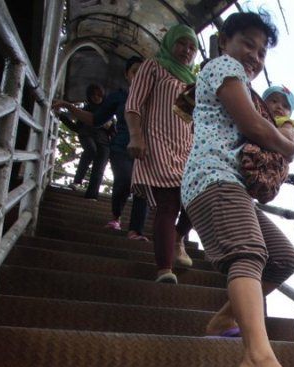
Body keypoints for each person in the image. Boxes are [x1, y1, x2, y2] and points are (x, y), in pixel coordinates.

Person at [181, 11, 294, 367]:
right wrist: (290, 145)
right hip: (212, 178)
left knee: (281, 258)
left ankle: (223, 321)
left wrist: (293, 130)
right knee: (247, 253)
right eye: (248, 44)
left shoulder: (244, 84)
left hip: (231, 183)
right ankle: (257, 360)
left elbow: (266, 120)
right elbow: (255, 127)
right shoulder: (222, 67)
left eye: (261, 52)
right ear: (224, 42)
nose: (255, 57)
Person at [126, 24, 198, 283]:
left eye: (192, 47)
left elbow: (194, 119)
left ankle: (178, 237)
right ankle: (164, 270)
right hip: (157, 143)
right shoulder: (153, 66)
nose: (186, 51)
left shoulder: (193, 80)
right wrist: (136, 136)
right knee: (168, 205)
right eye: (181, 44)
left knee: (197, 200)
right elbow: (133, 104)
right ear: (170, 43)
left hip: (188, 149)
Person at [54, 57, 149, 240]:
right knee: (124, 179)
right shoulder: (119, 97)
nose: (140, 76)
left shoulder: (154, 98)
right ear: (127, 75)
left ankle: (135, 231)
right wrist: (69, 106)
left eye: (144, 72)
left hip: (147, 152)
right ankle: (116, 216)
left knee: (142, 186)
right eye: (135, 72)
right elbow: (95, 119)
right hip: (121, 147)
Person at [56, 84, 111, 198]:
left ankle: (91, 196)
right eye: (93, 95)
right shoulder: (85, 109)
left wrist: (109, 126)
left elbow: (113, 130)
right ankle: (77, 181)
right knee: (91, 150)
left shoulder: (108, 110)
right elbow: (76, 127)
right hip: (87, 135)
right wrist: (61, 116)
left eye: (99, 94)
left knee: (99, 168)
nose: (96, 97)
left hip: (104, 142)